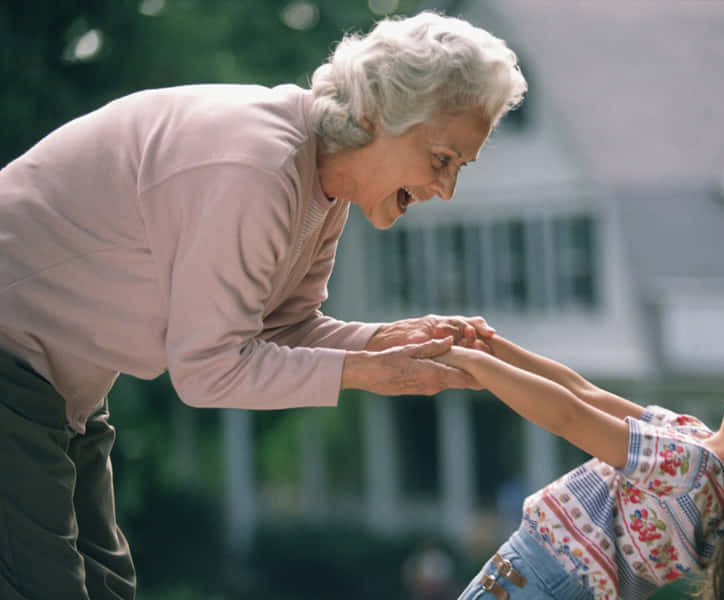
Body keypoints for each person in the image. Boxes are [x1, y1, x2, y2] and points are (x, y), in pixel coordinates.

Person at [0, 11, 526, 599]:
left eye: (460, 167)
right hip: (15, 367)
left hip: (63, 389)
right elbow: (207, 370)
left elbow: (281, 329)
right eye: (440, 159)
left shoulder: (324, 183)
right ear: (380, 116)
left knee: (108, 587)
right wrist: (362, 371)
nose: (446, 189)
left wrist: (383, 344)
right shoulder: (258, 167)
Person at [429, 335, 724, 600]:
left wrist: (474, 364)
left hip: (533, 585)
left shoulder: (693, 473)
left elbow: (571, 417)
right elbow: (585, 393)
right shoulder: (694, 447)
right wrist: (494, 349)